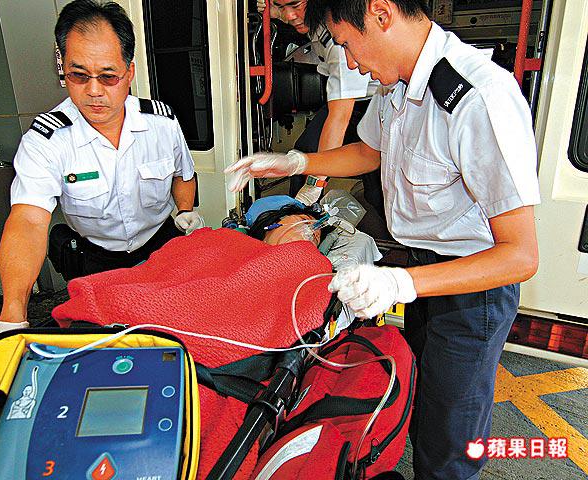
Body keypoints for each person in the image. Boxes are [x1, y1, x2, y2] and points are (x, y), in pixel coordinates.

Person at [225, 1, 540, 478]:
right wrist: (295, 163)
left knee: (450, 437)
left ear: (381, 13)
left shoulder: (479, 98)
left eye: (349, 45)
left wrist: (399, 284)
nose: (351, 63)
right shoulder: (397, 83)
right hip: (423, 270)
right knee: (423, 405)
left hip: (473, 287)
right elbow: (370, 151)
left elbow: (520, 255)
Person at [0, 0, 203, 340]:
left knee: (174, 333)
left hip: (160, 249)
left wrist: (186, 211)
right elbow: (28, 220)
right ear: (64, 71)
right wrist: (12, 314)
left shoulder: (161, 123)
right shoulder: (46, 140)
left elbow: (182, 174)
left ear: (129, 72)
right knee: (102, 345)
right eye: (79, 75)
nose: (94, 91)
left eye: (108, 76)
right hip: (97, 260)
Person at [258, 0, 385, 215]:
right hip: (350, 102)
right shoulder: (315, 18)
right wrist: (276, 12)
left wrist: (315, 184)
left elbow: (339, 117)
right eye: (281, 6)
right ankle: (298, 216)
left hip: (370, 104)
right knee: (305, 151)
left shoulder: (341, 43)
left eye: (295, 5)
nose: (289, 16)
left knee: (378, 188)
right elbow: (290, 12)